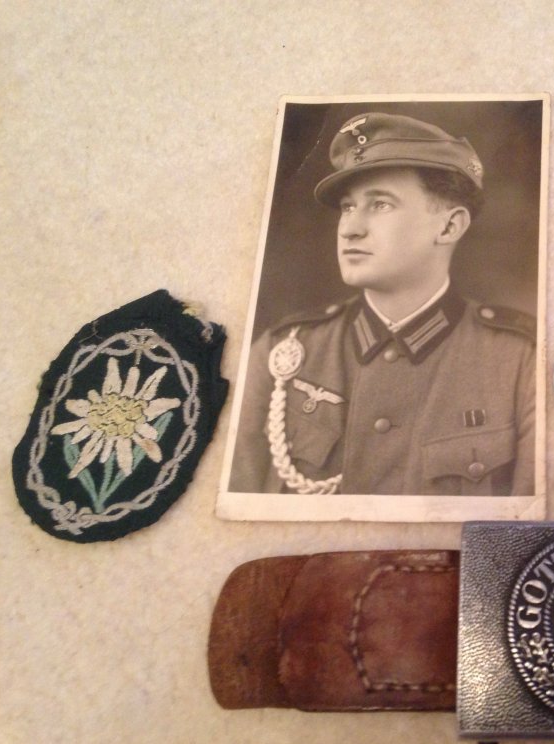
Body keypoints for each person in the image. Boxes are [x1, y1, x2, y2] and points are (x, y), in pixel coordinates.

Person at [229, 112, 536, 496]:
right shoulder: (282, 352)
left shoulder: (521, 360)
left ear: (448, 226)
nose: (350, 228)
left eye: (381, 205)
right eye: (348, 207)